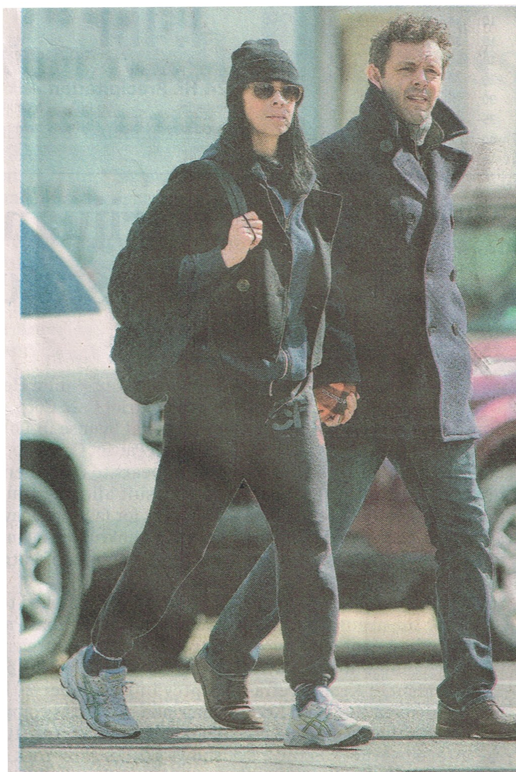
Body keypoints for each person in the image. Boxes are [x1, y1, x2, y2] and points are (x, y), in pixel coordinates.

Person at [195, 16, 516, 742]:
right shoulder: (331, 161)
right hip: (355, 390)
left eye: (432, 71)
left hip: (431, 387)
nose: (422, 81)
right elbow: (308, 278)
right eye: (408, 69)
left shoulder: (442, 155)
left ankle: (468, 695)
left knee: (465, 534)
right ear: (375, 76)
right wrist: (331, 369)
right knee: (314, 538)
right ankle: (224, 654)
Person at [59, 38, 372, 750]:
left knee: (310, 546)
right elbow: (129, 286)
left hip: (288, 401)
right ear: (238, 98)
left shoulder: (305, 186)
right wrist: (218, 258)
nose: (278, 103)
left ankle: (311, 697)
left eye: (288, 92)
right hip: (212, 400)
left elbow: (323, 294)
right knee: (174, 547)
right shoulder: (198, 184)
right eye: (264, 90)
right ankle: (99, 664)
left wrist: (338, 369)